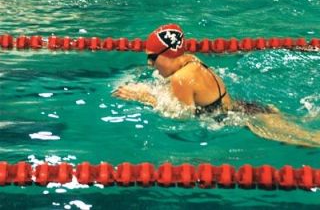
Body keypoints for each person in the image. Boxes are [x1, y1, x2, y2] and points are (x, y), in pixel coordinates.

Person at [113, 24, 320, 147]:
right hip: (250, 106)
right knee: (305, 125)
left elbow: (182, 117)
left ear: (166, 55)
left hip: (249, 119)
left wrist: (144, 98)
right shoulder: (191, 61)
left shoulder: (181, 79)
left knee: (309, 140)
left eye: (152, 58)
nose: (150, 64)